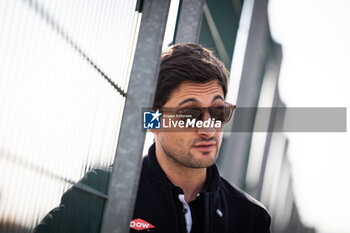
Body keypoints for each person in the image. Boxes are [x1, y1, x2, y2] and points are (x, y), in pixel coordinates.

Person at [33, 43, 271, 233]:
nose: (209, 129)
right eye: (190, 115)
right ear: (152, 122)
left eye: (219, 112)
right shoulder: (104, 190)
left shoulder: (249, 217)